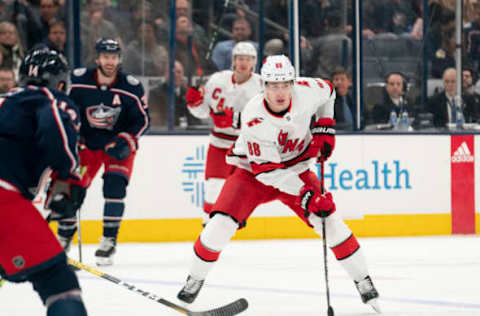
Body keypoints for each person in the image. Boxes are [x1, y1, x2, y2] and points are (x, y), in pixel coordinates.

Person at [177, 55, 381, 313]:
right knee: (219, 225)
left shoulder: (308, 90)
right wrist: (307, 195)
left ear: (293, 82)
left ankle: (363, 280)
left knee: (328, 221)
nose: (280, 91)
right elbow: (269, 173)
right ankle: (195, 278)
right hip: (252, 174)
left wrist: (325, 127)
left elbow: (329, 92)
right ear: (263, 86)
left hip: (296, 167)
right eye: (273, 85)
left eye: (285, 84)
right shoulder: (255, 117)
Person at [0, 47, 87, 315]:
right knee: (57, 280)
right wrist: (69, 175)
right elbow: (54, 129)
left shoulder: (5, 100)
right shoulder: (52, 99)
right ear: (61, 82)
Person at [56, 38, 150, 266]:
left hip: (116, 146)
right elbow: (63, 109)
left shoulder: (131, 85)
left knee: (115, 186)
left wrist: (126, 140)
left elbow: (143, 119)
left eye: (114, 57)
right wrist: (73, 136)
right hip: (86, 145)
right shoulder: (77, 81)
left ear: (119, 59)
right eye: (106, 56)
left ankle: (108, 240)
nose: (110, 61)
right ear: (97, 58)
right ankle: (63, 238)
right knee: (69, 190)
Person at [186, 41, 262, 225]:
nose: (243, 63)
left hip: (245, 147)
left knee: (242, 187)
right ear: (233, 60)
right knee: (213, 184)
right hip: (219, 143)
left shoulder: (261, 86)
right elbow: (204, 112)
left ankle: (235, 215)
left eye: (248, 59)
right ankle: (208, 222)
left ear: (254, 62)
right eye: (240, 58)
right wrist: (194, 104)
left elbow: (263, 119)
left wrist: (234, 119)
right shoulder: (217, 80)